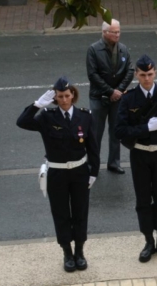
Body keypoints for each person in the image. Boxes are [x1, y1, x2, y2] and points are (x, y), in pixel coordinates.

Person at [17, 77, 99, 272]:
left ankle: (79, 251)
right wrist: (37, 105)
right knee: (61, 213)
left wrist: (93, 172)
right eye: (60, 96)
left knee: (80, 212)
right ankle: (67, 253)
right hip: (57, 172)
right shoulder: (47, 117)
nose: (64, 100)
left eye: (67, 96)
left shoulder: (85, 116)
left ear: (73, 96)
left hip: (79, 172)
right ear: (55, 97)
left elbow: (93, 147)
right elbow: (22, 122)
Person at [115, 56, 157, 263]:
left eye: (150, 74)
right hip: (140, 154)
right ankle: (148, 241)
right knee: (143, 199)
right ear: (136, 75)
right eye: (142, 75)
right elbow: (120, 131)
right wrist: (144, 128)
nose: (147, 79)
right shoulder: (128, 98)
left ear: (155, 74)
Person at [86, 19, 133, 174]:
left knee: (116, 131)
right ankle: (93, 164)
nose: (117, 35)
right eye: (114, 32)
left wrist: (118, 90)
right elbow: (93, 75)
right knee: (95, 133)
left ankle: (114, 162)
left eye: (119, 31)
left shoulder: (123, 49)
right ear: (104, 32)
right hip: (99, 97)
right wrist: (110, 91)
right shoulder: (93, 49)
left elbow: (130, 71)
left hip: (117, 98)